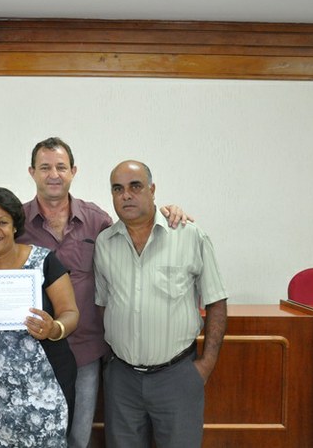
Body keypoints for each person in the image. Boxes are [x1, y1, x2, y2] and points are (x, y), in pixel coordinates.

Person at [17, 137, 191, 448]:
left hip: (85, 351)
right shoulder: (17, 222)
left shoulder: (96, 220)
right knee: (33, 437)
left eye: (61, 167)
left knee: (78, 437)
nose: (53, 174)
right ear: (32, 172)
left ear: (73, 171)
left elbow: (136, 227)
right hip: (32, 351)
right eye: (45, 167)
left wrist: (168, 212)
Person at [94, 161, 228, 448]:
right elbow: (103, 303)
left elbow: (216, 301)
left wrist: (206, 364)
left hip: (177, 376)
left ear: (152, 190)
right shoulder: (105, 242)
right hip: (122, 380)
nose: (126, 195)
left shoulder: (189, 235)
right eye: (117, 189)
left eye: (135, 186)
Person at [0, 187, 79, 448]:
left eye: (2, 222)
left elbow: (71, 313)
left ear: (15, 225)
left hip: (48, 388)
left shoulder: (43, 261)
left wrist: (54, 328)